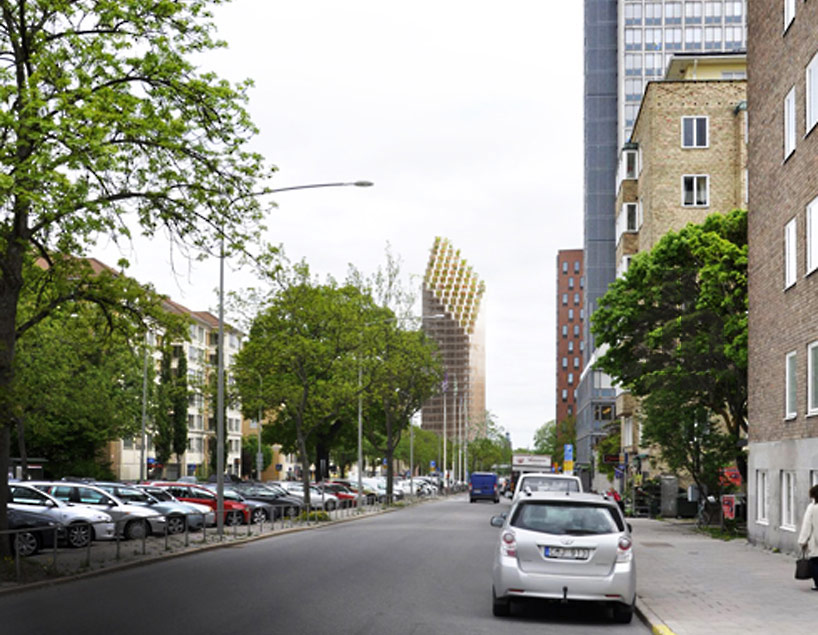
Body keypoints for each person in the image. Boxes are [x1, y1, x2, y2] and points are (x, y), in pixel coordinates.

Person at [798, 484, 818, 591]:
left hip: (815, 540)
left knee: (815, 562)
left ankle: (817, 584)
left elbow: (807, 525)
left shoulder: (812, 508)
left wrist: (803, 540)